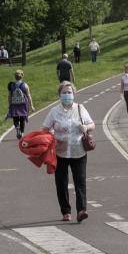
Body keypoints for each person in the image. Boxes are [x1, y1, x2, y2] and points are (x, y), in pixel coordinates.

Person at [42, 81, 95, 223]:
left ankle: (81, 210)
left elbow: (92, 125)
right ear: (59, 94)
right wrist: (52, 135)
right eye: (64, 92)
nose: (67, 95)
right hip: (60, 152)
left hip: (79, 151)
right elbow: (45, 129)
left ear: (74, 94)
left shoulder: (80, 108)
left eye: (69, 92)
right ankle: (66, 211)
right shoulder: (54, 111)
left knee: (80, 182)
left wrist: (86, 127)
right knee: (61, 183)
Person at [7, 69, 34, 140]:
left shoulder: (11, 85)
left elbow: (9, 96)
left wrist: (10, 104)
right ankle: (22, 133)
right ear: (22, 76)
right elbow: (28, 96)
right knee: (22, 119)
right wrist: (31, 106)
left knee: (15, 117)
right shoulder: (25, 85)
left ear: (15, 76)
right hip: (23, 104)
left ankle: (17, 127)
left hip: (14, 104)